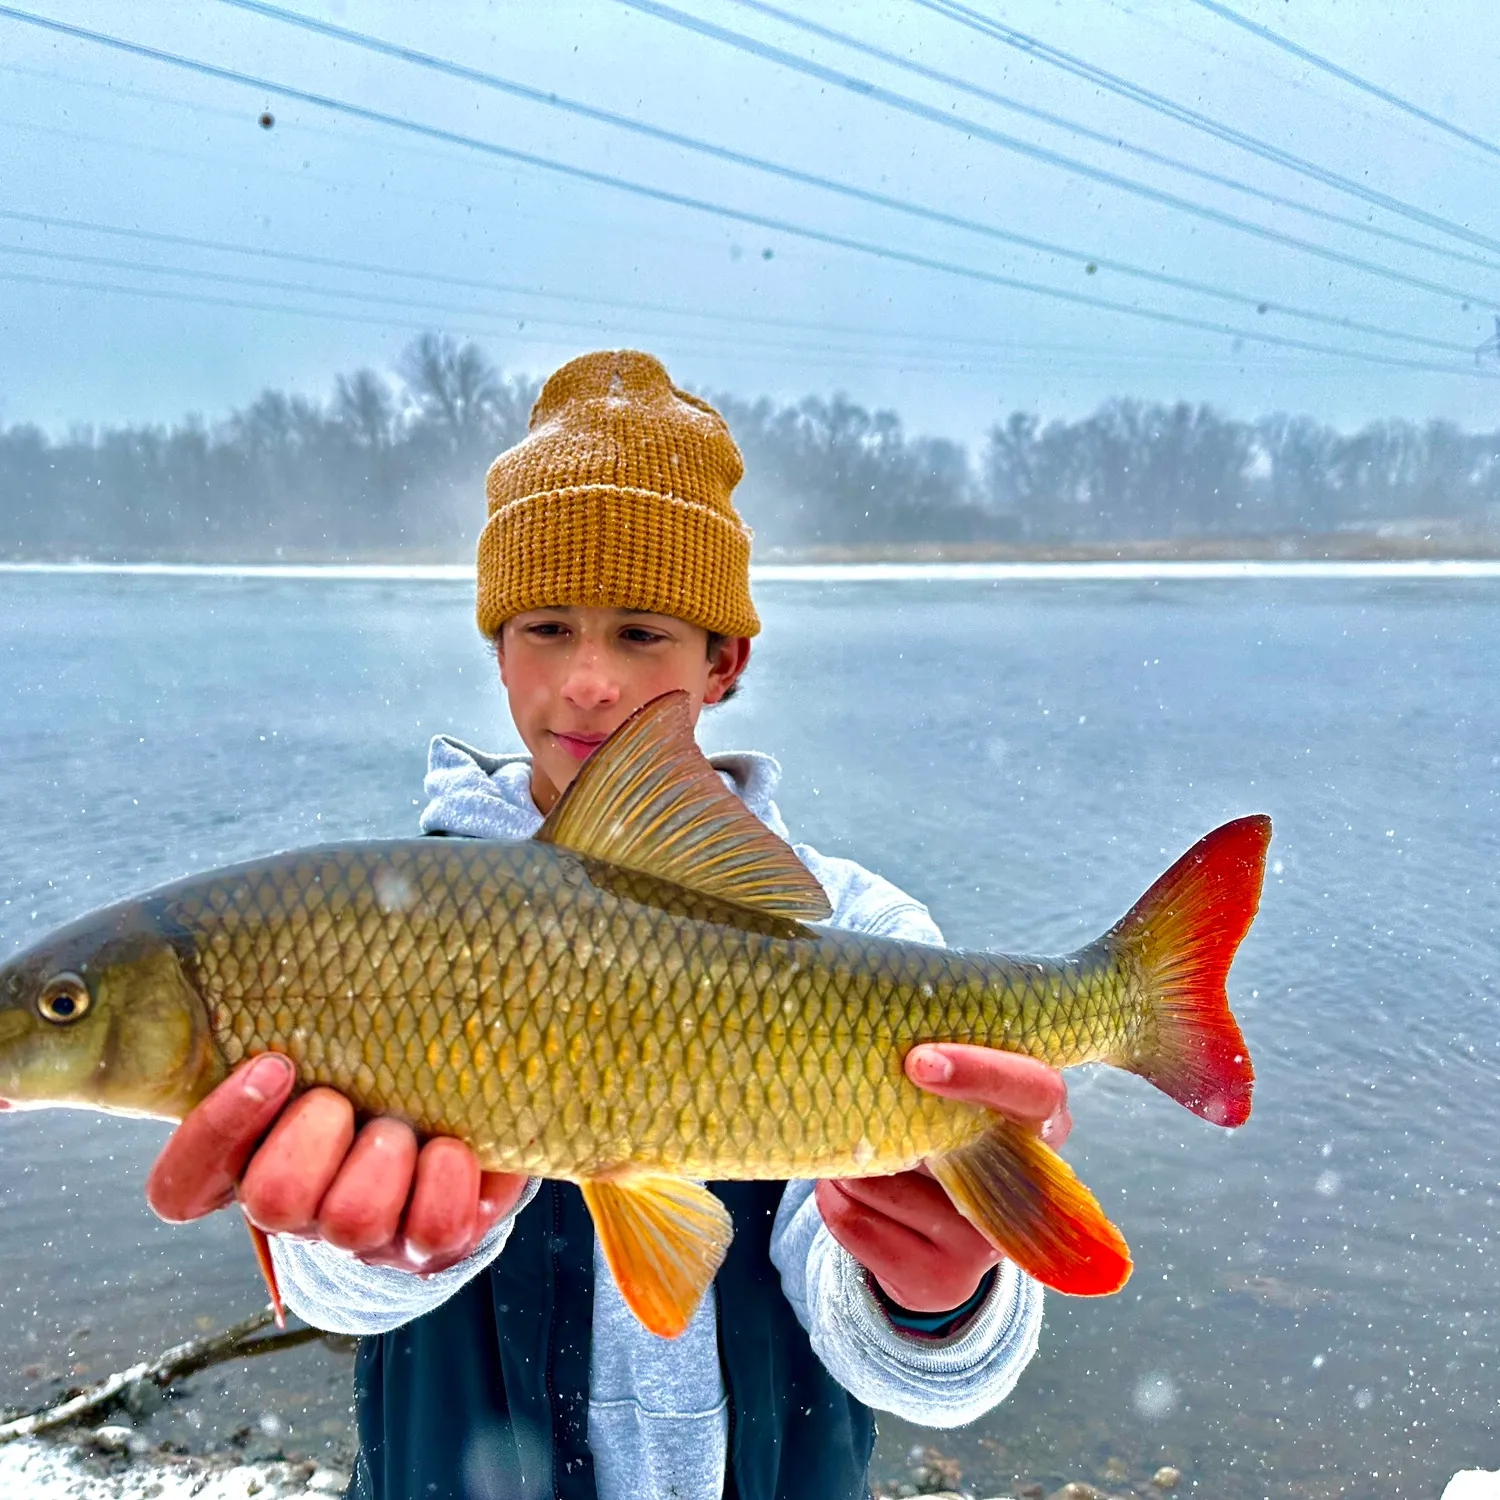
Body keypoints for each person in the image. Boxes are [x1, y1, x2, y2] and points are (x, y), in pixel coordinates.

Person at [145, 350, 1072, 1500]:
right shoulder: (373, 931)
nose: (586, 682)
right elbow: (336, 1292)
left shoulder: (859, 929)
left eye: (642, 633)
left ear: (722, 662)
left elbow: (927, 1372)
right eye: (545, 627)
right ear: (494, 645)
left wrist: (937, 1297)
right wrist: (368, 1251)